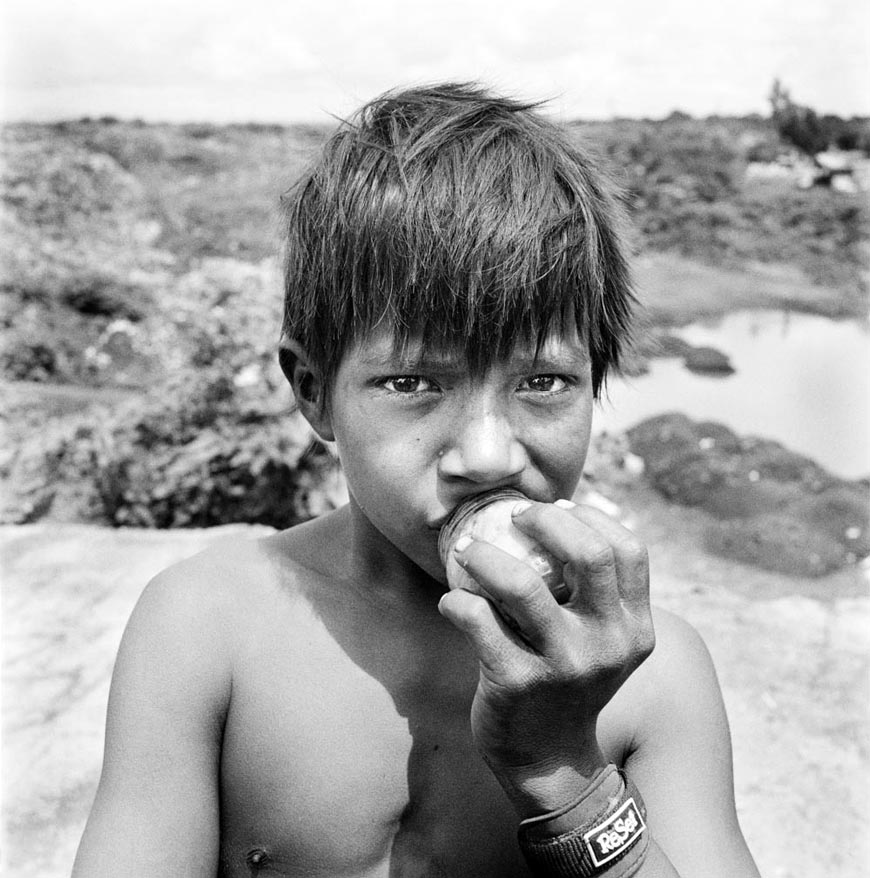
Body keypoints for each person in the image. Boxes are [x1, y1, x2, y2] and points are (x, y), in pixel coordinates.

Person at [72, 83, 760, 877]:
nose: (490, 454)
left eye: (542, 382)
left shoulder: (650, 674)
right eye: (414, 384)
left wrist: (567, 772)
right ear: (313, 391)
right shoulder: (205, 626)